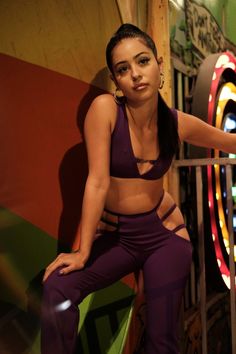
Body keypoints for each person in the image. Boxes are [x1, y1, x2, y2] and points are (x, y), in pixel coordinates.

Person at [41, 24, 236, 354]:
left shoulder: (175, 122)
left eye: (142, 61)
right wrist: (83, 251)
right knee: (57, 288)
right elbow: (98, 181)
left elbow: (230, 141)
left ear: (159, 65)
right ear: (116, 81)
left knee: (162, 341)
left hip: (165, 236)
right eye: (123, 68)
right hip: (118, 236)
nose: (135, 74)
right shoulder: (105, 110)